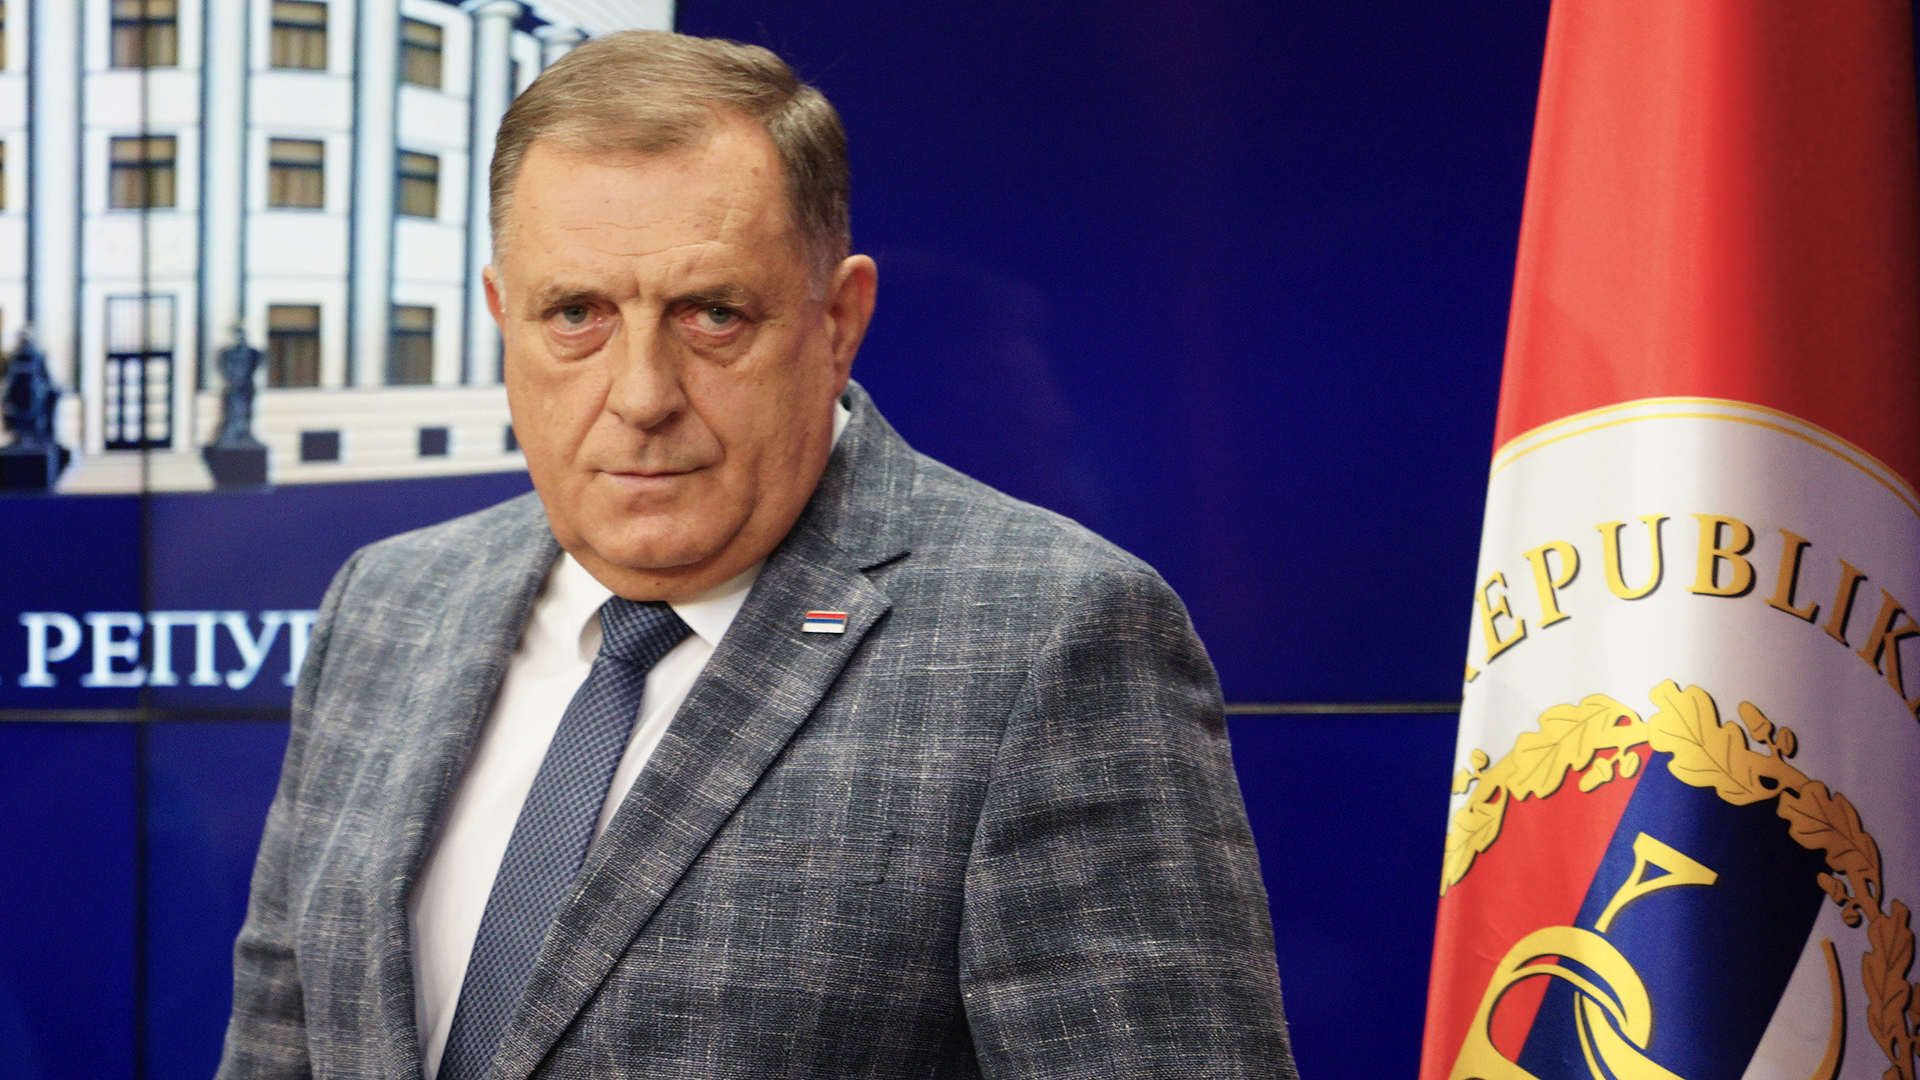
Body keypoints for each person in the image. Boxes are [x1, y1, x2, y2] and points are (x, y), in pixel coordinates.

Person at [219, 30, 1295, 1079]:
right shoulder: (389, 604)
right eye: (578, 313)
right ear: (505, 316)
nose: (641, 395)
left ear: (839, 321)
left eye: (713, 314)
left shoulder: (1052, 638)